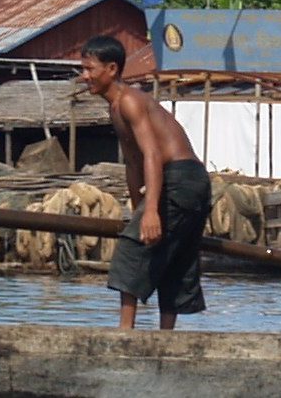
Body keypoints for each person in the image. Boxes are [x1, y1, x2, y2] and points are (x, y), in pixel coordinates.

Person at [78, 35, 209, 330]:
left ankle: (126, 333)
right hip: (190, 181)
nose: (84, 77)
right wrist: (140, 209)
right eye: (82, 69)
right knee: (169, 254)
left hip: (180, 177)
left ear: (112, 69)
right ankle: (165, 338)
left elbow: (151, 155)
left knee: (132, 251)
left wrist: (150, 212)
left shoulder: (129, 102)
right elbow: (133, 164)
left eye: (89, 69)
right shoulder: (115, 108)